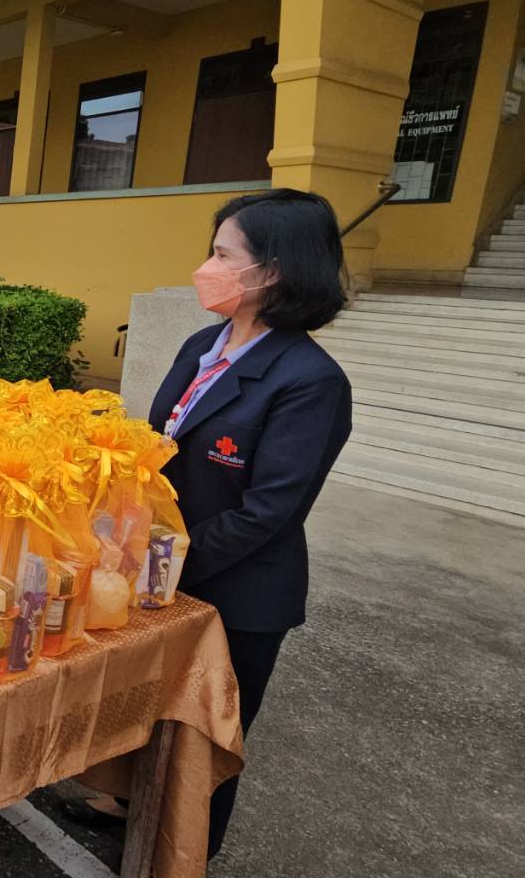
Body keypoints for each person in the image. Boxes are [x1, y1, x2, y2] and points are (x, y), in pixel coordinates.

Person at [146, 188, 353, 856]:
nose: (205, 266)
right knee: (154, 716)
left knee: (208, 732)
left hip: (239, 592)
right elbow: (157, 444)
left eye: (220, 254)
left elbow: (267, 512)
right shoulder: (205, 342)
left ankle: (186, 851)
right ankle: (133, 812)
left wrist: (167, 561)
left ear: (268, 271)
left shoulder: (309, 381)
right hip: (166, 571)